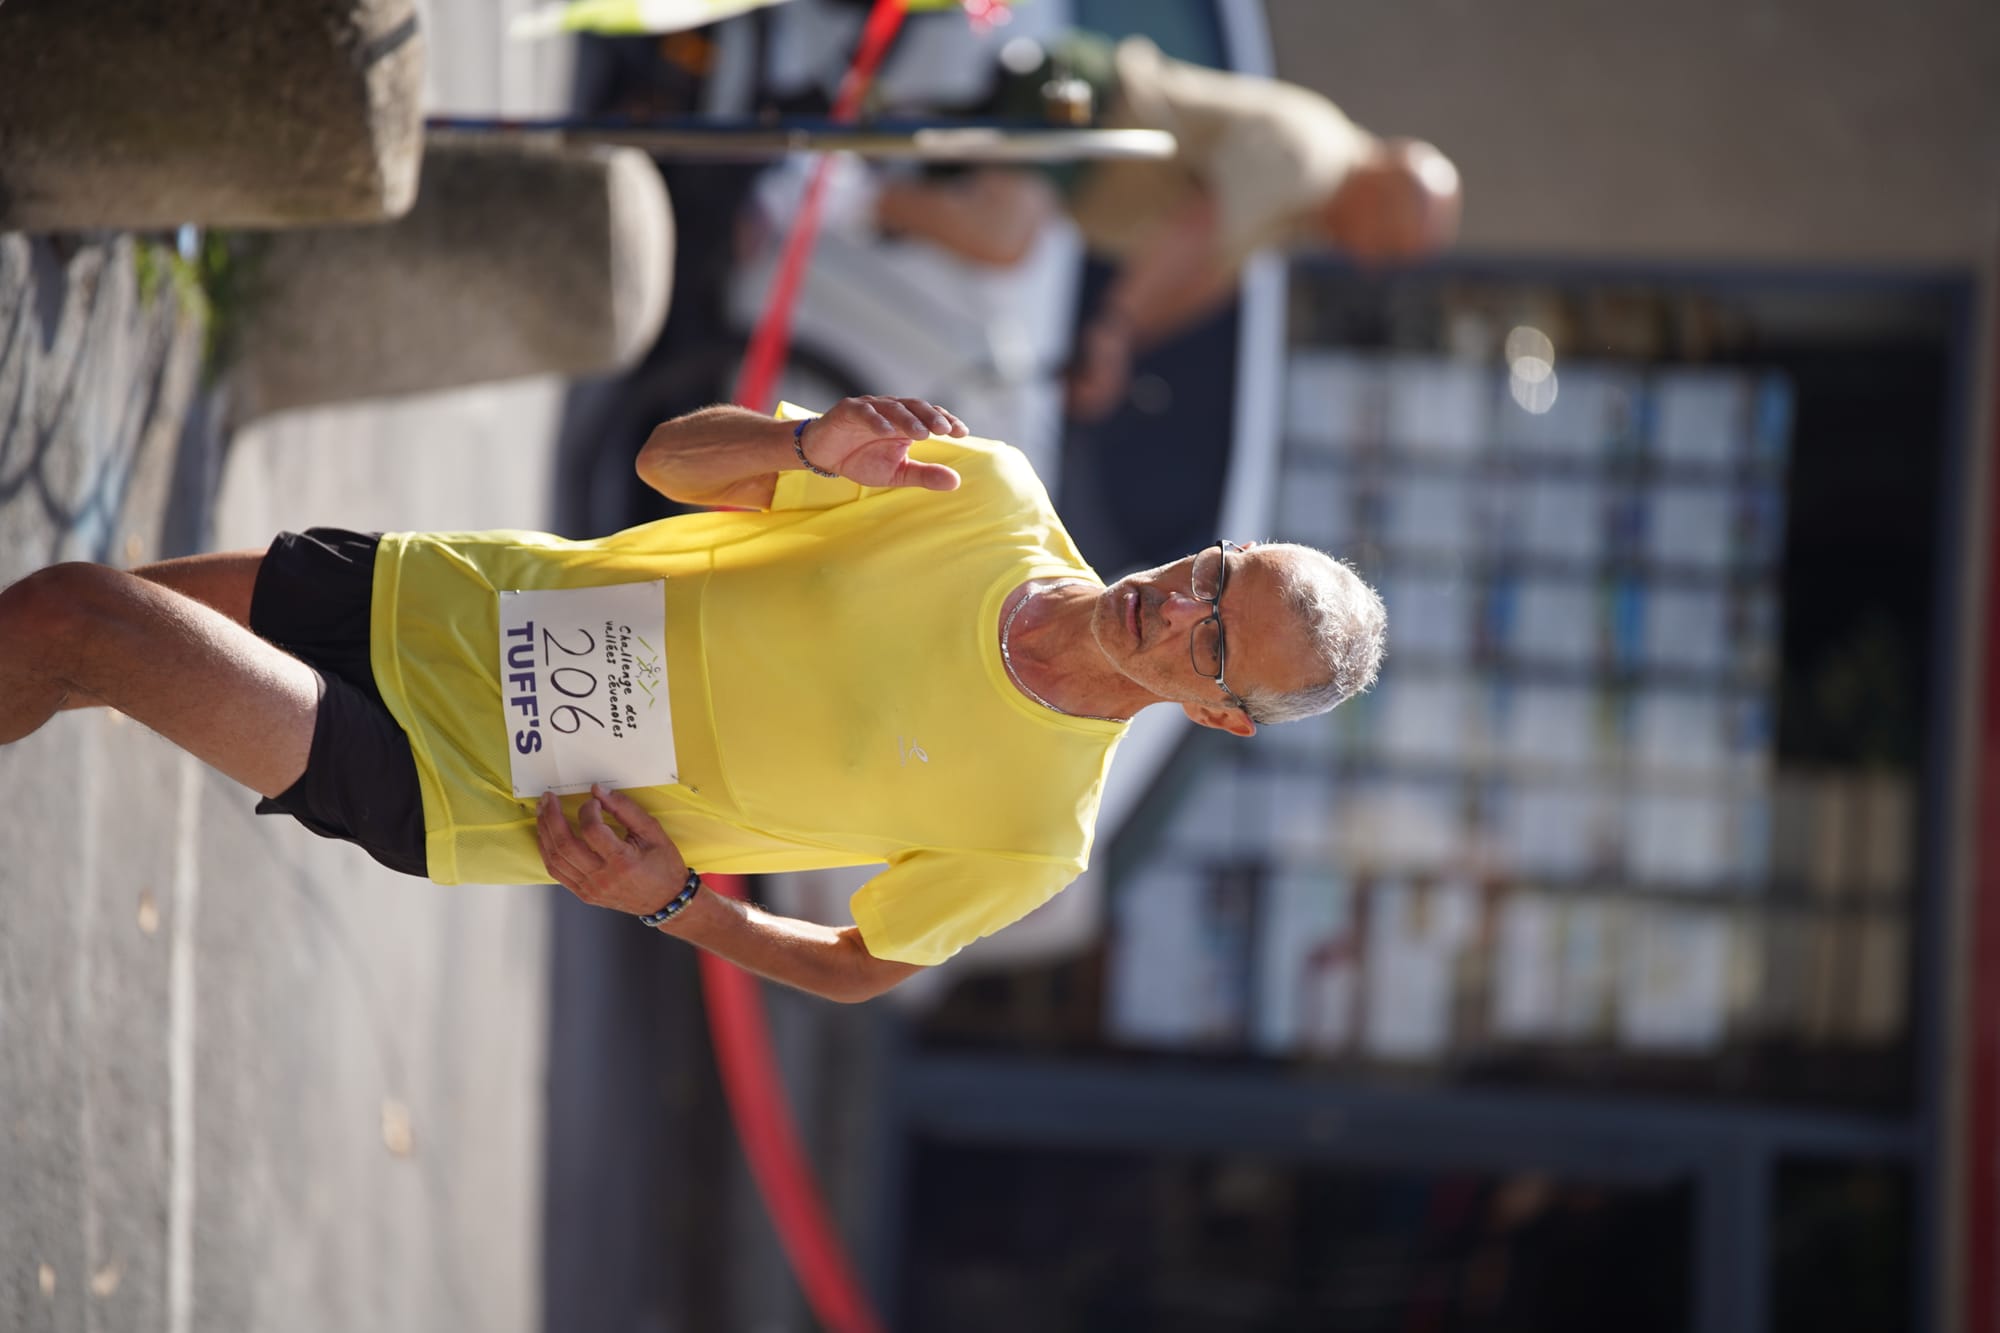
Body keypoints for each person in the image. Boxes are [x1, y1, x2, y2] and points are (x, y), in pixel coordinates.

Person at [0, 395, 1384, 1002]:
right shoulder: (982, 494)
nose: (1181, 603)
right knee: (53, 641)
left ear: (1220, 716)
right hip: (443, 601)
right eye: (1218, 570)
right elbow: (668, 457)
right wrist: (801, 441)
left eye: (1217, 642)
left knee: (84, 621)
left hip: (475, 786)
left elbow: (854, 971)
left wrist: (672, 903)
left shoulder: (1034, 837)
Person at [797, 31, 1462, 419]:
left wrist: (1118, 351)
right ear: (1384, 191)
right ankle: (828, 190)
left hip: (1080, 155)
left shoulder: (1303, 214)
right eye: (1390, 243)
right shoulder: (1309, 156)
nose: (1372, 260)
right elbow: (1197, 227)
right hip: (1082, 102)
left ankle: (839, 189)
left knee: (1002, 241)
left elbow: (1208, 279)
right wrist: (1114, 327)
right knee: (1004, 238)